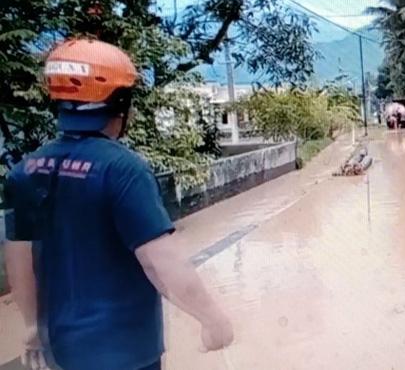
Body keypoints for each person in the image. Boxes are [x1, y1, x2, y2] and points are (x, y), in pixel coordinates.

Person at [3, 39, 234, 370]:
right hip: (124, 353)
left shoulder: (23, 171)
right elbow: (159, 261)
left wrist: (31, 327)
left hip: (61, 352)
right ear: (120, 102)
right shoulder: (123, 170)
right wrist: (212, 319)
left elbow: (19, 257)